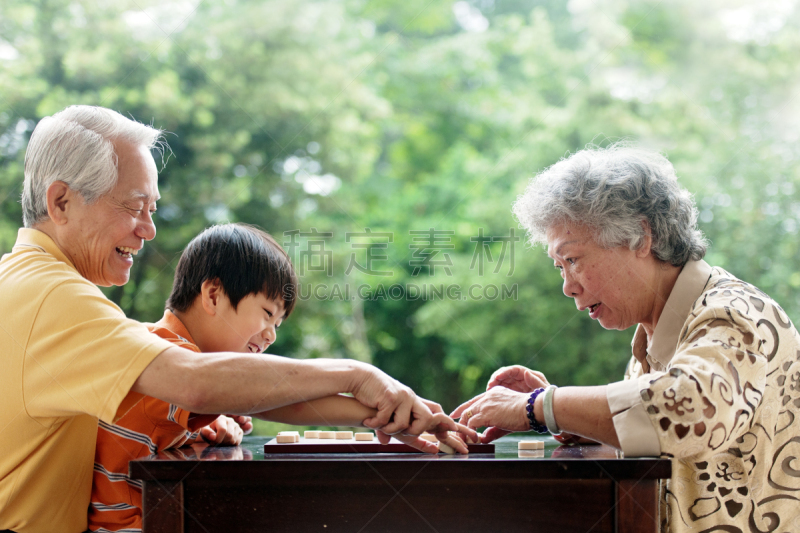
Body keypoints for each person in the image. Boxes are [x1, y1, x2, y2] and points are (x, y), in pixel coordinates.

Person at [0, 105, 473, 533]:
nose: (149, 229)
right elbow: (195, 382)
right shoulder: (54, 297)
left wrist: (390, 415)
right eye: (133, 206)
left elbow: (260, 398)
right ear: (61, 202)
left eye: (153, 209)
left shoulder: (22, 283)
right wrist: (360, 375)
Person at [452, 145, 800, 532]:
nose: (567, 287)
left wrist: (539, 405)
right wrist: (566, 419)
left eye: (573, 260)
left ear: (640, 237)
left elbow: (683, 411)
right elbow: (649, 440)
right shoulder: (650, 343)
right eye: (558, 266)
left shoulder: (733, 312)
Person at [89, 223, 470, 532]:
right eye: (267, 313)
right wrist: (359, 377)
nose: (271, 334)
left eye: (278, 323)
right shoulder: (159, 355)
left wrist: (389, 414)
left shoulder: (176, 363)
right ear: (213, 294)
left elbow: (284, 398)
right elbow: (276, 394)